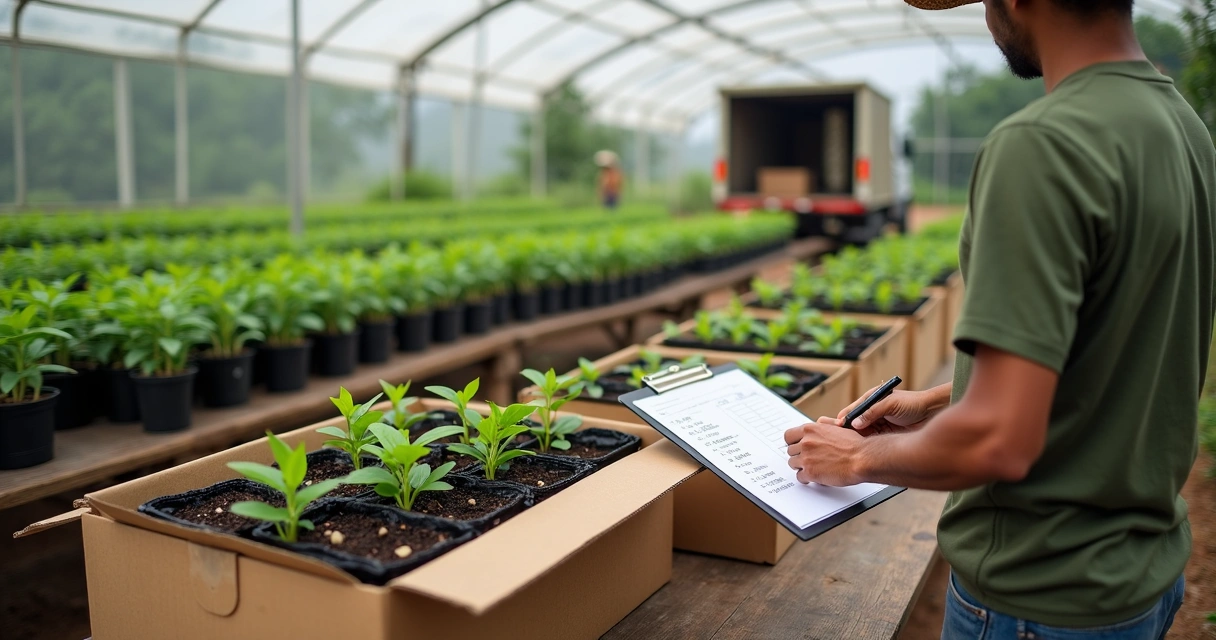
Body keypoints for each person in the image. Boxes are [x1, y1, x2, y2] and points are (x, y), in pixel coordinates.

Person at [783, 0, 1215, 638]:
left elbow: (998, 440)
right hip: (1140, 576)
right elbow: (1117, 349)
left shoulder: (1041, 145)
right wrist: (940, 400)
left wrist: (854, 462)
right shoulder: (1183, 127)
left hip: (1037, 594)